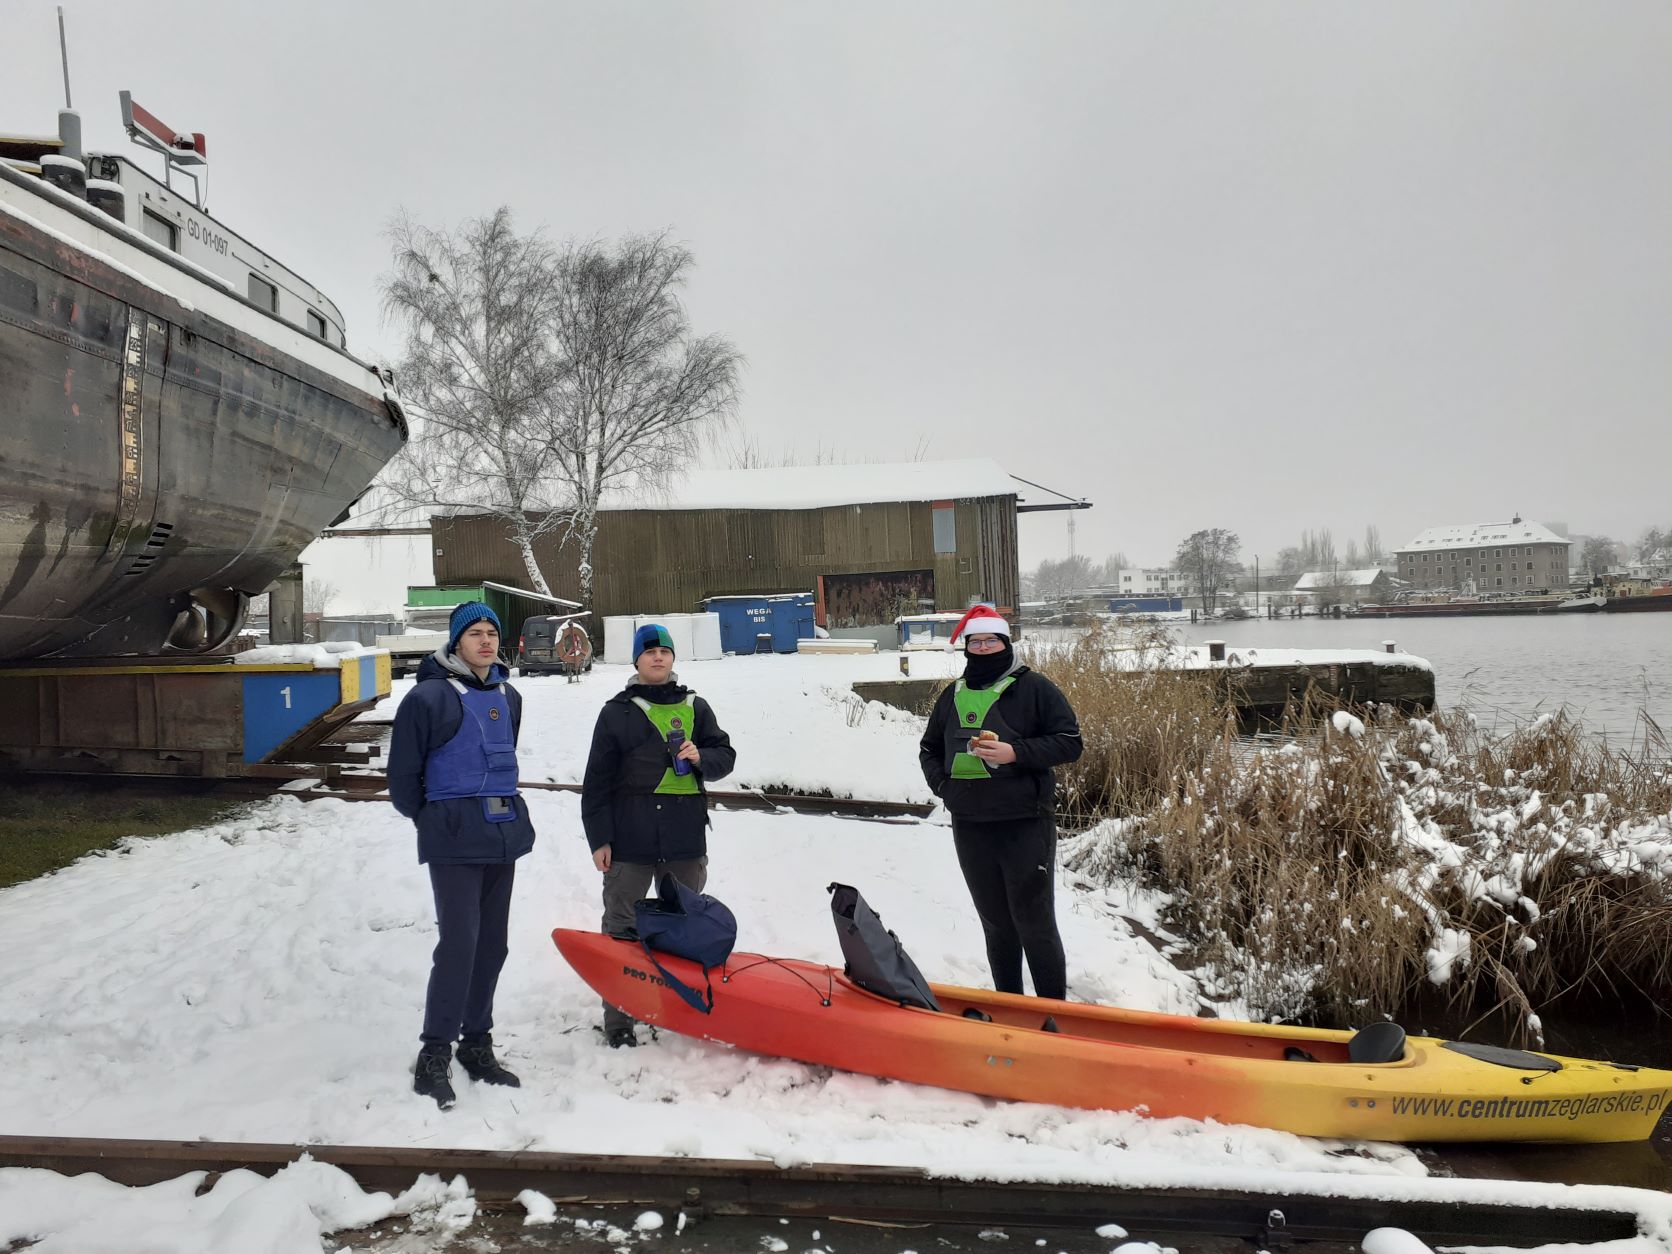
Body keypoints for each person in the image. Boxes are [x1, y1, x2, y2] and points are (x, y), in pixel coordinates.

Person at [388, 601, 536, 1108]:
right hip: (453, 837)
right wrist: (435, 819)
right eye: (474, 632)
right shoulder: (427, 698)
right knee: (459, 945)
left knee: (492, 945)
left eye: (492, 632)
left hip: (501, 835)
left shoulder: (508, 695)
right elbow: (404, 780)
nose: (486, 641)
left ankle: (477, 1043)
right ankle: (435, 1050)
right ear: (455, 642)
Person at [581, 623, 736, 1046]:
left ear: (672, 659)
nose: (657, 657)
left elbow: (726, 756)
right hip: (630, 840)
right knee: (623, 927)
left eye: (664, 650)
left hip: (684, 839)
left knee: (683, 928)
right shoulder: (617, 711)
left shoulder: (696, 707)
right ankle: (619, 1019)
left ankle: (679, 1006)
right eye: (649, 651)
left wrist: (702, 755)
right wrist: (600, 839)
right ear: (636, 660)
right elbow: (596, 783)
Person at [918, 605, 1082, 1002]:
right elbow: (929, 748)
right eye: (976, 641)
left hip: (1024, 821)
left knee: (1035, 923)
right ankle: (1008, 1005)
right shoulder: (952, 695)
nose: (985, 647)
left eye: (992, 640)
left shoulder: (1035, 688)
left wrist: (1015, 753)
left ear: (1006, 643)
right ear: (968, 648)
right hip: (971, 824)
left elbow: (1070, 743)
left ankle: (1053, 1011)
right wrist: (944, 787)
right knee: (996, 924)